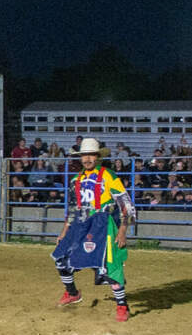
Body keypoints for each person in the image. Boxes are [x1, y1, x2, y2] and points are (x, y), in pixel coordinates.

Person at [51, 137, 132, 320]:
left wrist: (123, 230)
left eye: (91, 155)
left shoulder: (108, 175)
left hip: (103, 224)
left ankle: (122, 305)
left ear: (97, 157)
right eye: (84, 155)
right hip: (80, 223)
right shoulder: (75, 180)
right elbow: (72, 208)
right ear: (80, 157)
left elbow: (125, 203)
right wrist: (64, 232)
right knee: (61, 257)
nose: (87, 159)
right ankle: (72, 293)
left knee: (110, 266)